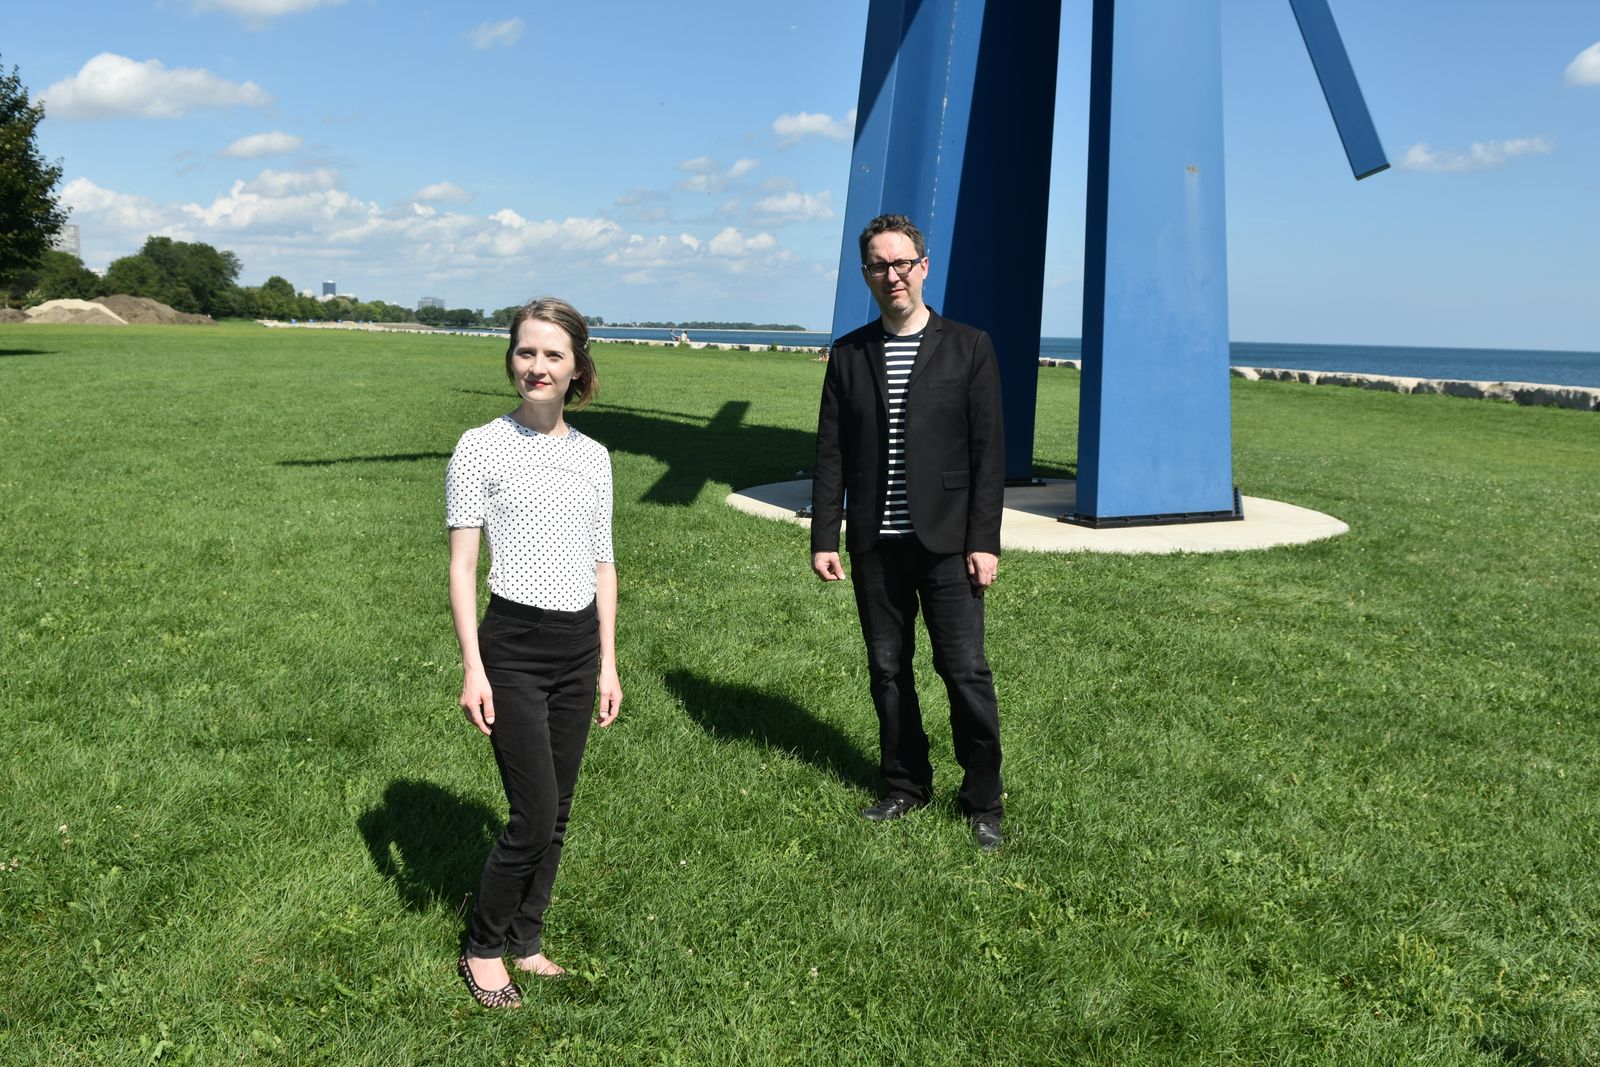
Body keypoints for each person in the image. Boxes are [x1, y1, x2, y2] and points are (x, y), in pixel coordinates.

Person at [445, 297, 622, 1009]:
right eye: (526, 351)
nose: (537, 366)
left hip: (579, 647)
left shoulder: (595, 456)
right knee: (533, 812)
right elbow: (463, 566)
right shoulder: (479, 446)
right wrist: (473, 667)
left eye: (553, 354)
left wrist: (608, 661)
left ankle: (527, 937)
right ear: (510, 359)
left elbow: (603, 563)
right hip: (512, 646)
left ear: (577, 366)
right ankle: (483, 948)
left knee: (561, 809)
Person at [810, 213, 1007, 852]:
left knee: (964, 670)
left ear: (923, 267)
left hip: (949, 543)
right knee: (888, 670)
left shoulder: (969, 346)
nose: (891, 275)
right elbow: (831, 452)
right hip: (876, 542)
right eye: (879, 265)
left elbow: (988, 453)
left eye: (901, 263)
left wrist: (984, 541)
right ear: (866, 274)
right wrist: (824, 535)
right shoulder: (850, 353)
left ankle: (983, 801)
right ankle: (905, 784)